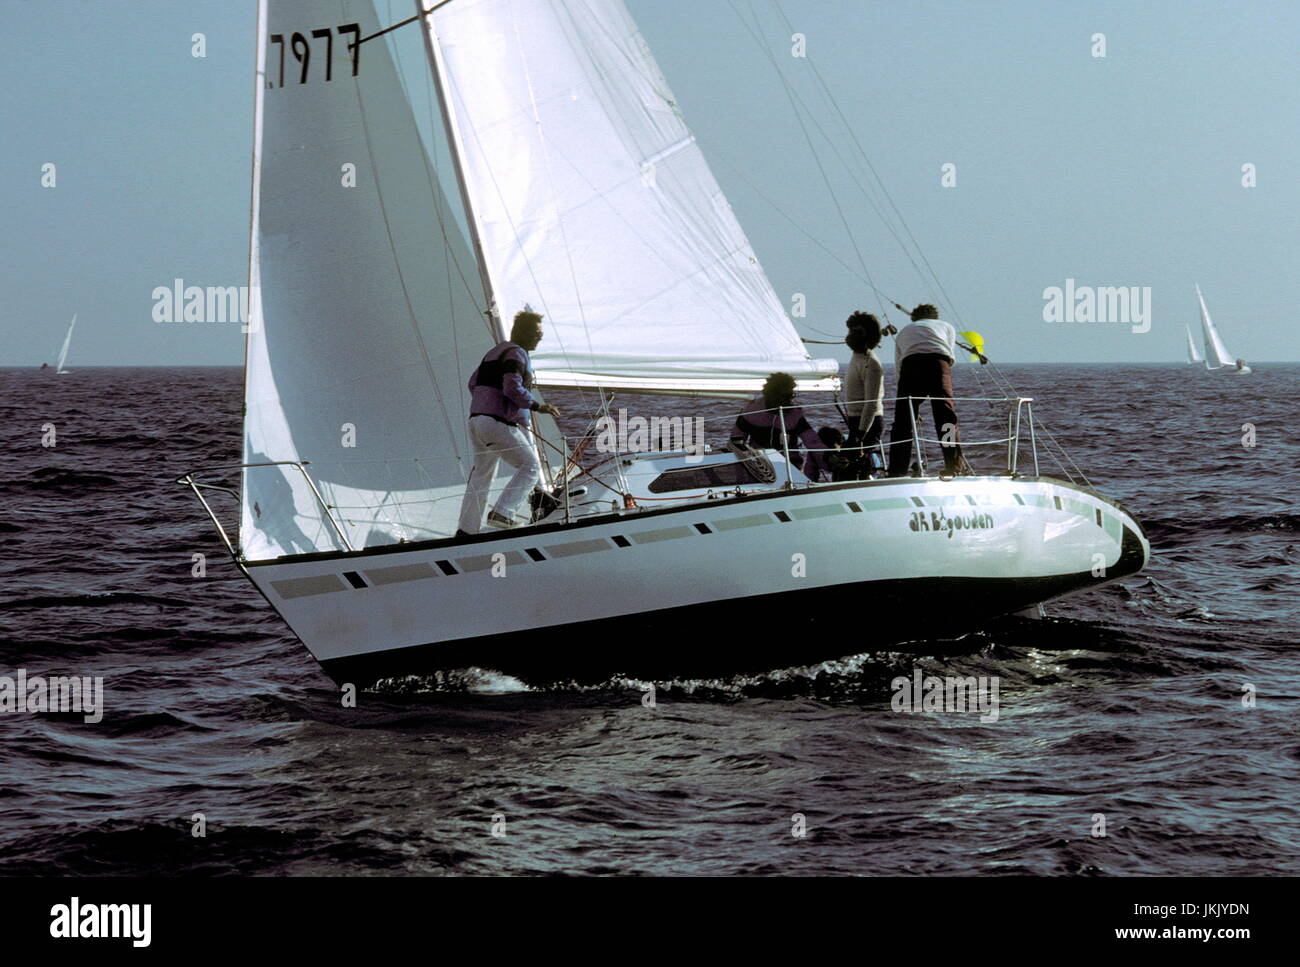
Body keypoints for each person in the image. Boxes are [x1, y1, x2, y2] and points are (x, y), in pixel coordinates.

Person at [456, 310, 561, 535]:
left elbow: (473, 383)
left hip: (477, 421)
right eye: (536, 332)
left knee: (481, 475)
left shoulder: (495, 351)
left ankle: (466, 530)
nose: (540, 337)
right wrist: (537, 406)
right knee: (531, 466)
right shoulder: (517, 354)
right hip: (495, 422)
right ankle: (503, 513)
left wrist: (488, 404)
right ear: (521, 332)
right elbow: (512, 387)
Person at [886, 304, 966, 477]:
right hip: (939, 365)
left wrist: (908, 398)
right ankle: (953, 466)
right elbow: (949, 353)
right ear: (935, 316)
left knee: (903, 423)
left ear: (914, 317)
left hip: (910, 367)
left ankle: (896, 471)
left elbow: (898, 364)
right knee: (945, 417)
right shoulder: (946, 326)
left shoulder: (905, 331)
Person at [731, 372, 828, 481]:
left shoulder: (795, 414)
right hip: (758, 468)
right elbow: (735, 442)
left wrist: (830, 458)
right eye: (786, 396)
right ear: (771, 394)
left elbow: (813, 441)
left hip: (791, 467)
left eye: (791, 395)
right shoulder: (751, 411)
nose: (789, 400)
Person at [843, 311, 886, 476]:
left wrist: (860, 435)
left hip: (869, 423)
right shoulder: (857, 357)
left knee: (859, 465)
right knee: (850, 466)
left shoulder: (871, 363)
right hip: (856, 421)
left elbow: (871, 404)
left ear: (869, 335)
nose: (851, 336)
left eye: (857, 332)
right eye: (851, 331)